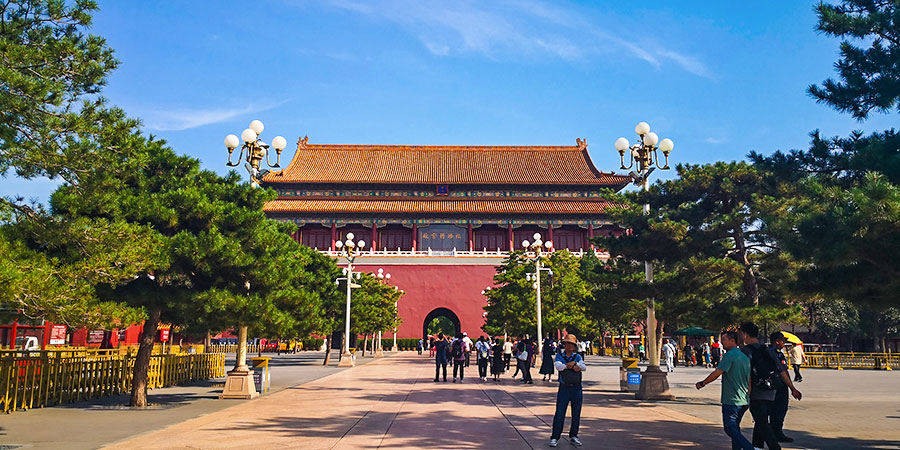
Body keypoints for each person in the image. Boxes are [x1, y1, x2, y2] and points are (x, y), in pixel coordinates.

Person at [740, 323, 801, 450]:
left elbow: (746, 373)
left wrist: (747, 391)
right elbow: (782, 371)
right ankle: (757, 446)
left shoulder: (745, 351)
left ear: (745, 335)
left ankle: (774, 447)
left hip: (756, 390)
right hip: (771, 390)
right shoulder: (767, 350)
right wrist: (793, 388)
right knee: (760, 419)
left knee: (761, 421)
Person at [695, 330, 753, 450]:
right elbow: (749, 379)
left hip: (732, 399)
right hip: (743, 399)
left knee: (730, 428)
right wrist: (748, 394)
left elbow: (717, 372)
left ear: (733, 341)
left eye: (724, 340)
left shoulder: (730, 355)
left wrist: (703, 383)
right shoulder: (744, 356)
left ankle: (749, 448)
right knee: (735, 428)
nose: (722, 342)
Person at [549, 334, 586, 447]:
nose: (569, 346)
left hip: (576, 387)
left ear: (574, 346)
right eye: (568, 344)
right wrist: (568, 365)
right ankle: (555, 437)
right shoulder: (560, 355)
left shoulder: (577, 357)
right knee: (560, 412)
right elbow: (558, 366)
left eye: (572, 344)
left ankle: (574, 435)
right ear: (565, 345)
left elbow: (583, 367)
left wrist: (574, 364)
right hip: (564, 387)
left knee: (576, 412)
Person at [768, 332, 795, 443]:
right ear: (777, 341)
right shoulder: (776, 354)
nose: (784, 343)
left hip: (771, 385)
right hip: (779, 385)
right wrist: (792, 388)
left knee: (773, 410)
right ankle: (777, 433)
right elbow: (783, 371)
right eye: (782, 341)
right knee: (779, 409)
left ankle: (772, 433)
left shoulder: (768, 351)